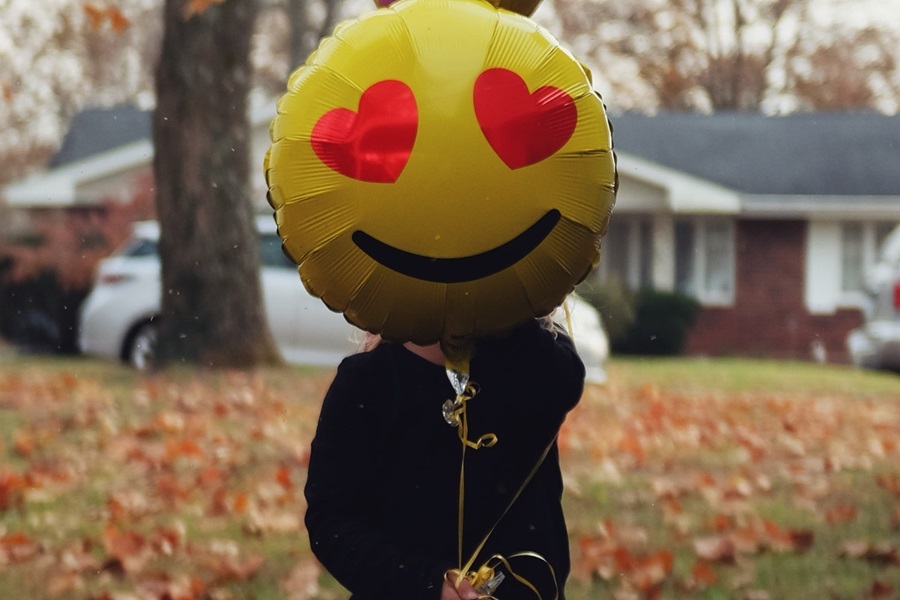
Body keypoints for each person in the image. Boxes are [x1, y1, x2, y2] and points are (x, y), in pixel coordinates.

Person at [304, 316, 585, 599]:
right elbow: (332, 521)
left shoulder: (535, 360)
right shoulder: (366, 382)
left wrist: (508, 315)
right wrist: (424, 583)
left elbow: (563, 386)